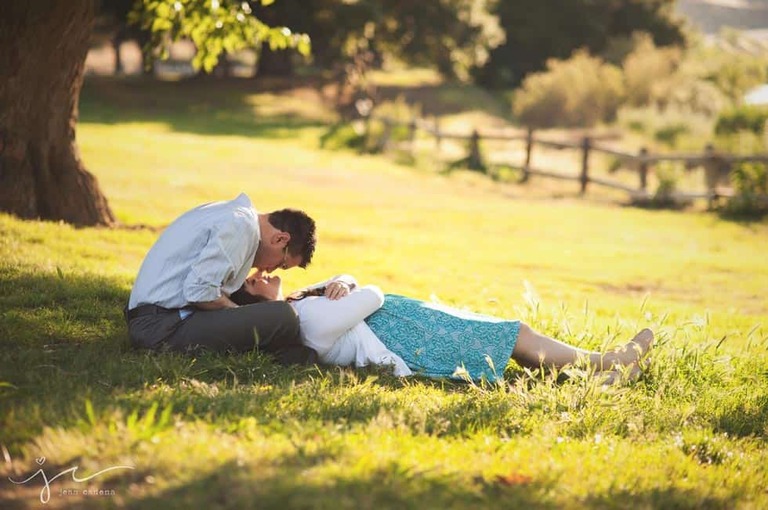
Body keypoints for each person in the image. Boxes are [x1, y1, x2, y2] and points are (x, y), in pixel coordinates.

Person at [231, 274, 654, 382]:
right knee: (513, 336)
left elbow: (349, 287)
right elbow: (372, 298)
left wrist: (342, 280)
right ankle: (611, 361)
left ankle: (605, 376)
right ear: (256, 304)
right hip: (402, 337)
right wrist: (354, 285)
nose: (260, 274)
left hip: (404, 325)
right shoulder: (305, 319)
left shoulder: (298, 307)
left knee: (512, 342)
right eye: (252, 282)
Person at [125, 193, 318, 365]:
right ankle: (287, 353)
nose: (268, 269)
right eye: (281, 264)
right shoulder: (242, 228)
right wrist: (240, 315)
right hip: (160, 328)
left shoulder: (236, 216)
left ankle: (287, 354)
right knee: (284, 315)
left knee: (269, 313)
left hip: (159, 319)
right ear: (280, 239)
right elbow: (199, 292)